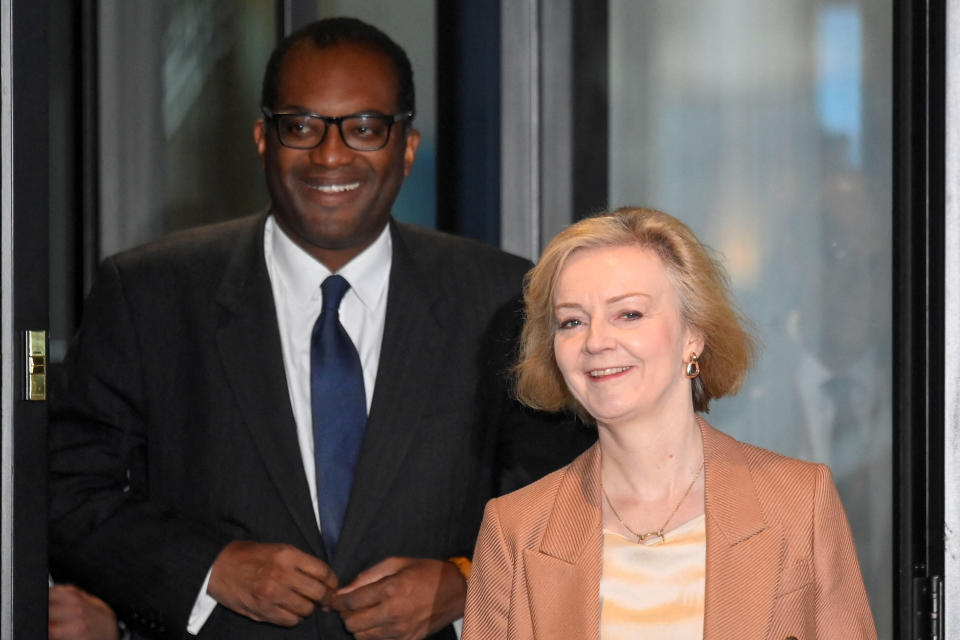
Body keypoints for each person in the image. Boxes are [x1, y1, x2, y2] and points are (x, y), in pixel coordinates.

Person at [48, 17, 589, 640]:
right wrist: (208, 568)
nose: (330, 155)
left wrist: (467, 584)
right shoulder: (149, 293)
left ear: (406, 146)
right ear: (262, 139)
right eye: (301, 126)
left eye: (364, 128)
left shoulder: (500, 297)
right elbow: (66, 491)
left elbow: (568, 498)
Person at [461, 207, 877, 639]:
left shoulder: (798, 502)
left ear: (693, 334)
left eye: (629, 314)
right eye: (572, 322)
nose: (596, 341)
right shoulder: (516, 529)